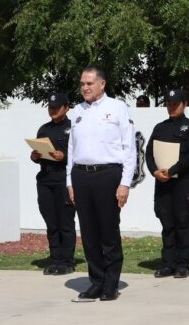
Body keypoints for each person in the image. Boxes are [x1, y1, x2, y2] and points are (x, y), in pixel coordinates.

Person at [66, 67, 136, 302]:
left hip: (108, 175)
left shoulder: (117, 108)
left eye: (89, 83)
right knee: (88, 233)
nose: (85, 88)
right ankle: (95, 281)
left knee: (108, 231)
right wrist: (70, 182)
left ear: (102, 84)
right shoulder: (77, 111)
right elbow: (71, 150)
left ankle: (111, 283)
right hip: (81, 175)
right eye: (82, 84)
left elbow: (129, 148)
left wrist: (125, 183)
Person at [145, 89, 189, 279]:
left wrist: (171, 171)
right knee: (167, 223)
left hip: (183, 183)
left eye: (175, 103)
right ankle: (168, 263)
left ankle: (183, 264)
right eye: (168, 103)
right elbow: (149, 153)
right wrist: (155, 171)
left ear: (184, 104)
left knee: (182, 223)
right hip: (163, 183)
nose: (171, 106)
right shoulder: (160, 127)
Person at [31, 92, 76, 275]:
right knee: (51, 221)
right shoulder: (44, 129)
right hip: (45, 178)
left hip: (63, 178)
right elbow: (38, 154)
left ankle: (67, 261)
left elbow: (79, 154)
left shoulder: (73, 128)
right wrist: (35, 156)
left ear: (66, 108)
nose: (53, 111)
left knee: (65, 221)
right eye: (50, 108)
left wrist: (63, 156)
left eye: (57, 108)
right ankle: (55, 259)